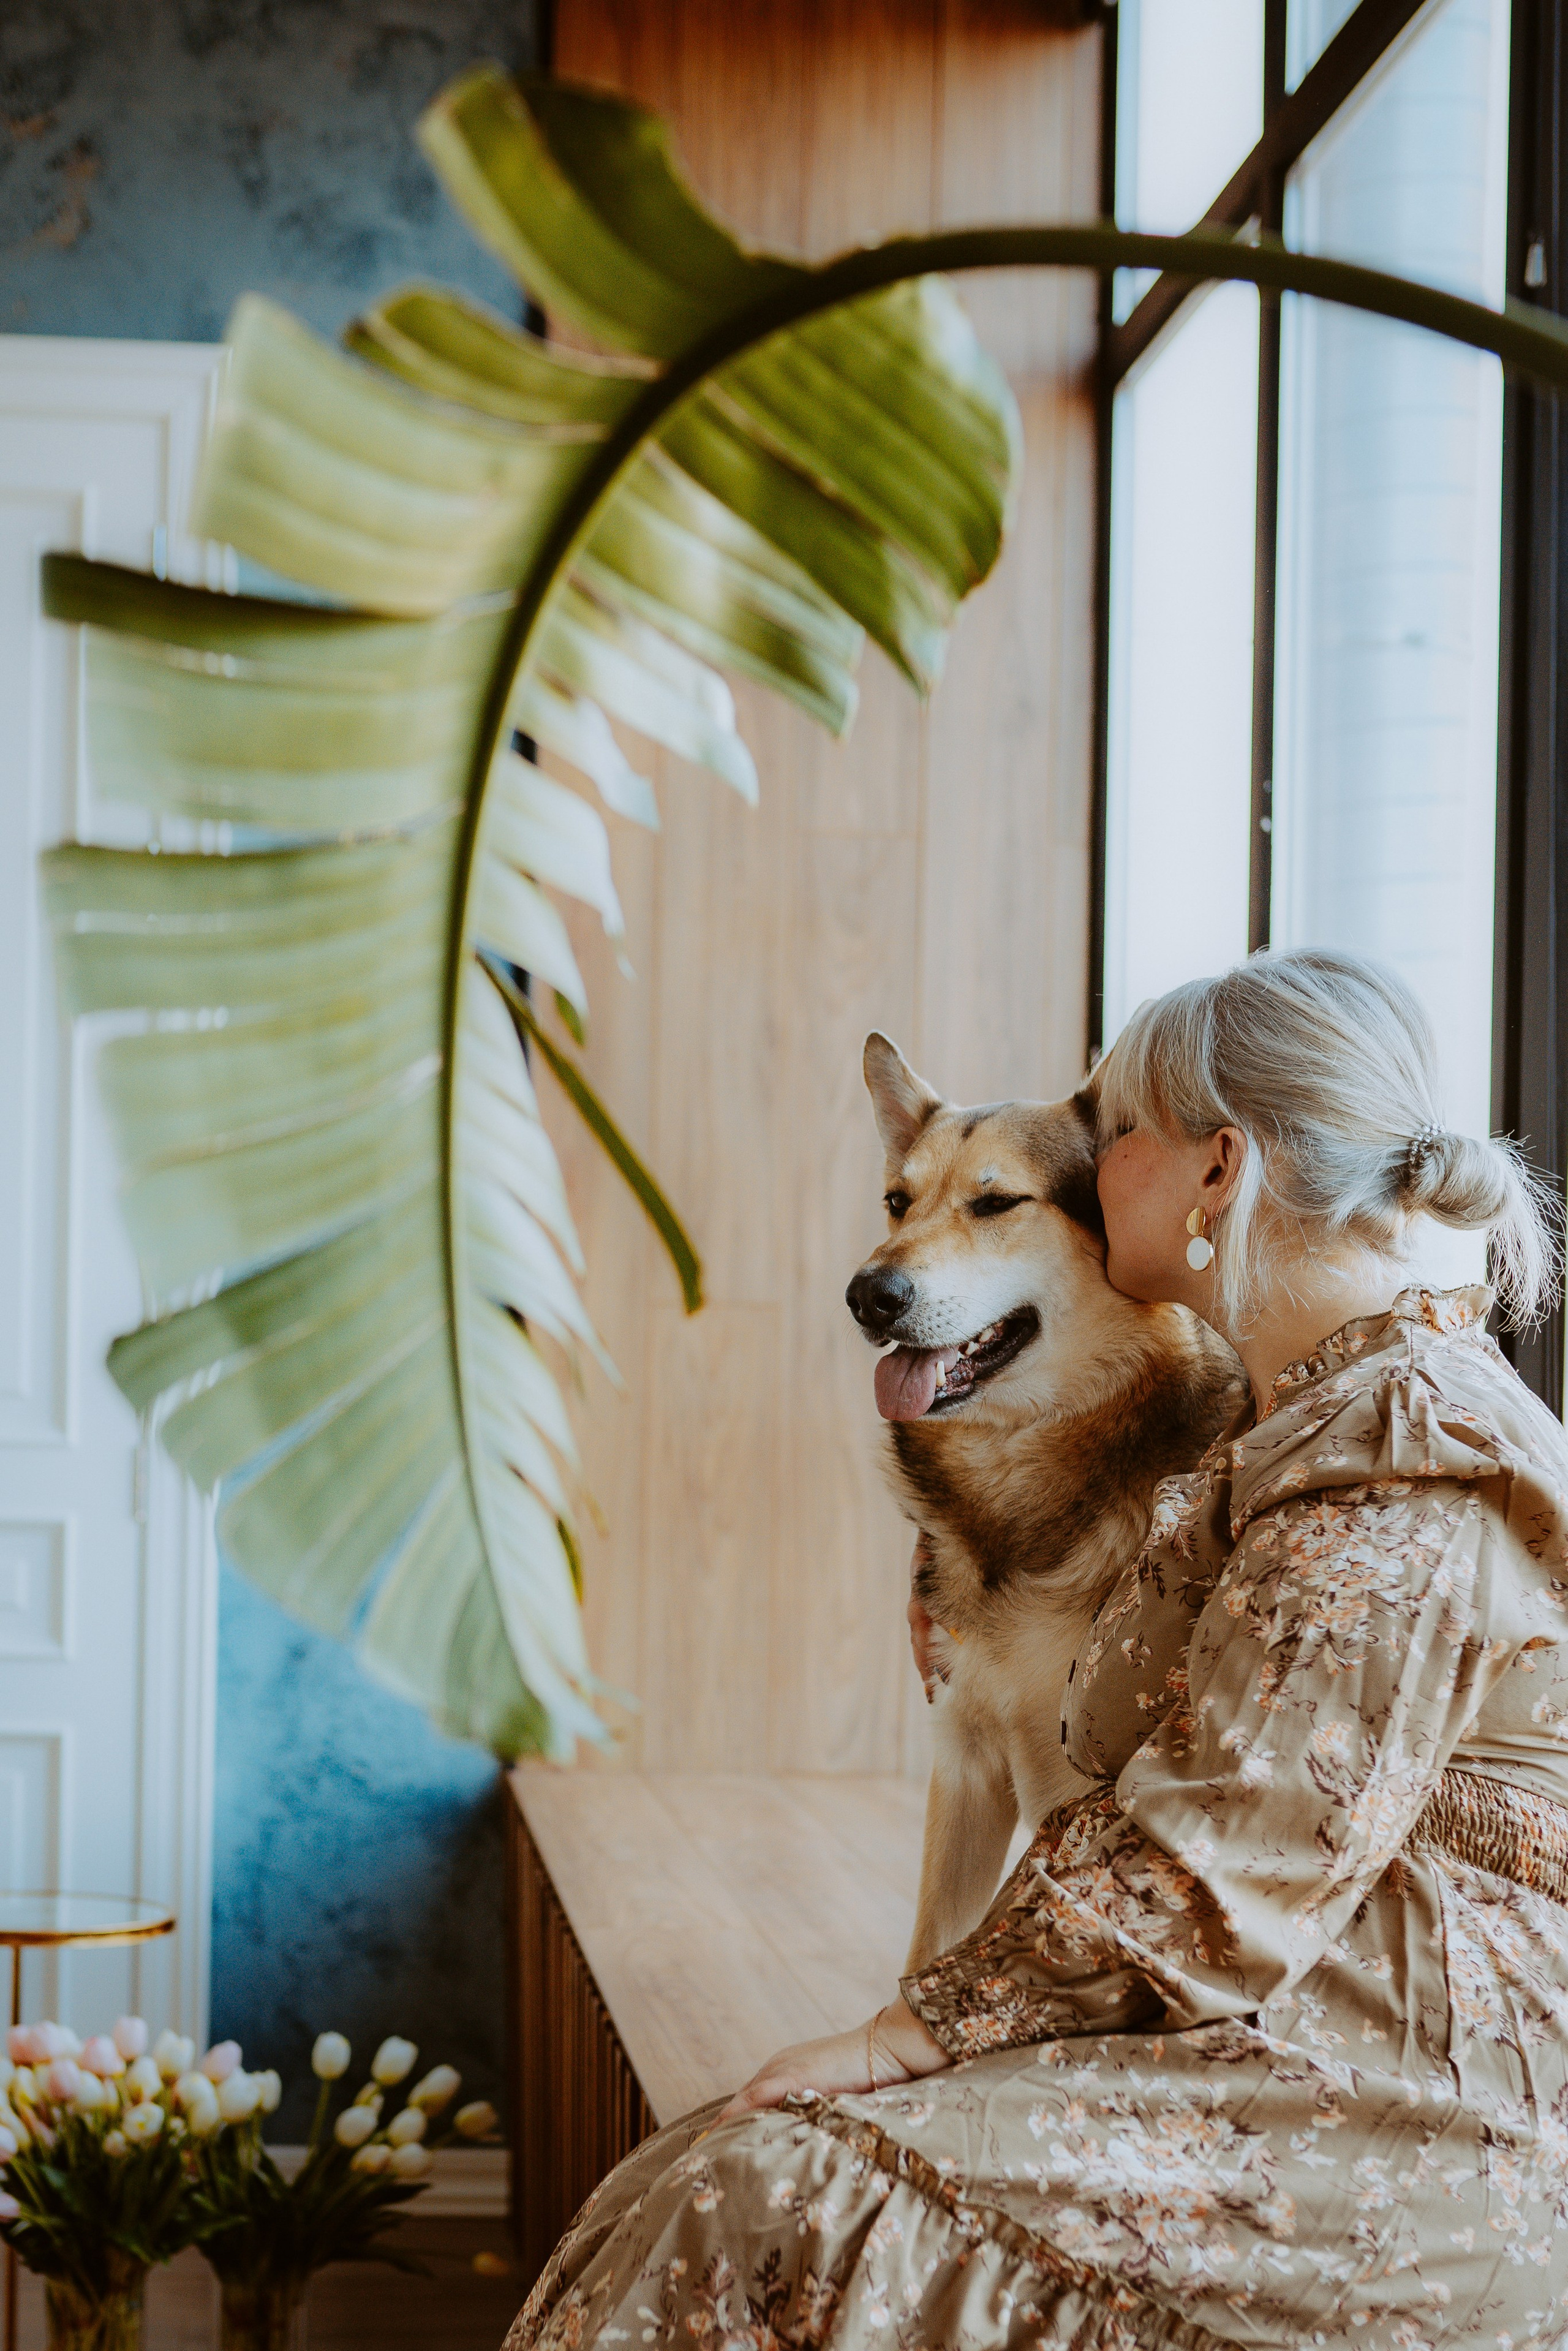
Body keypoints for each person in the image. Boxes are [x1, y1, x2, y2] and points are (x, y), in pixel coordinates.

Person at [503, 949, 1568, 2351]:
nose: (1090, 1155)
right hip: (1263, 2006)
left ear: (1216, 1170)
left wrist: (911, 2032)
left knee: (762, 2195)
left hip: (1403, 2081)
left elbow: (1223, 1849)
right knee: (721, 2168)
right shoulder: (1289, 1418)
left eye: (1117, 1130)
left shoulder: (1399, 1445)